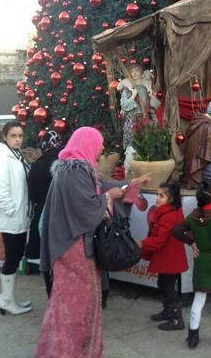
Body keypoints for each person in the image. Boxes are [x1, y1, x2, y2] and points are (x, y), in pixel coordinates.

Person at [35, 127, 125, 358]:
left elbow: (99, 187)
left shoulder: (76, 169)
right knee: (74, 307)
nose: (102, 148)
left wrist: (129, 185)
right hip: (72, 248)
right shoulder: (74, 171)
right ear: (88, 143)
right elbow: (85, 209)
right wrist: (108, 198)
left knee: (77, 304)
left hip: (72, 246)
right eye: (100, 142)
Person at [173, 182, 211, 349]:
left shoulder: (192, 217)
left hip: (201, 263)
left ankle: (193, 336)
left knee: (198, 300)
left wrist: (191, 242)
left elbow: (177, 232)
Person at [0, 121, 32, 315]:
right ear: (4, 136)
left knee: (15, 258)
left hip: (19, 217)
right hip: (11, 219)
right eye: (13, 136)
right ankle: (6, 300)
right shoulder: (0, 159)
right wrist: (13, 212)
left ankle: (9, 298)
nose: (17, 139)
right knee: (12, 259)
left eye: (20, 136)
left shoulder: (16, 155)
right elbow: (0, 192)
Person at [138, 183, 188, 331]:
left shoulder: (167, 217)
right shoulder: (172, 212)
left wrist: (142, 244)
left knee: (168, 287)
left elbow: (159, 241)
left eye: (161, 195)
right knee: (163, 284)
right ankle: (168, 312)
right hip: (170, 258)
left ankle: (176, 319)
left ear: (171, 199)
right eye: (157, 194)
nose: (157, 198)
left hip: (169, 259)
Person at [26, 130, 63, 297]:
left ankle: (51, 293)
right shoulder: (66, 162)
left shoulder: (36, 165)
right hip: (62, 213)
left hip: (43, 212)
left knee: (46, 257)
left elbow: (32, 195)